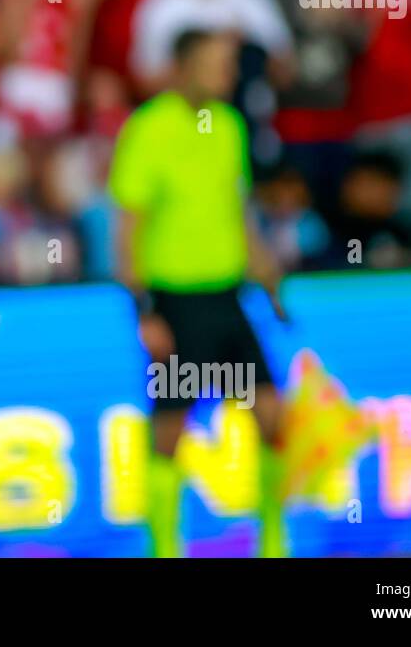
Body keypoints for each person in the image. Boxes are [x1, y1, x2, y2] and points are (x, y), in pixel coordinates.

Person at [108, 28, 288, 558]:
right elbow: (127, 228)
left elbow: (237, 212)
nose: (228, 75)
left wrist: (268, 279)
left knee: (273, 416)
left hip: (229, 296)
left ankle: (274, 540)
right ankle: (163, 544)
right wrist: (143, 310)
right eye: (217, 64)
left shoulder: (230, 126)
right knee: (169, 428)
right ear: (184, 67)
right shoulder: (148, 128)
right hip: (176, 301)